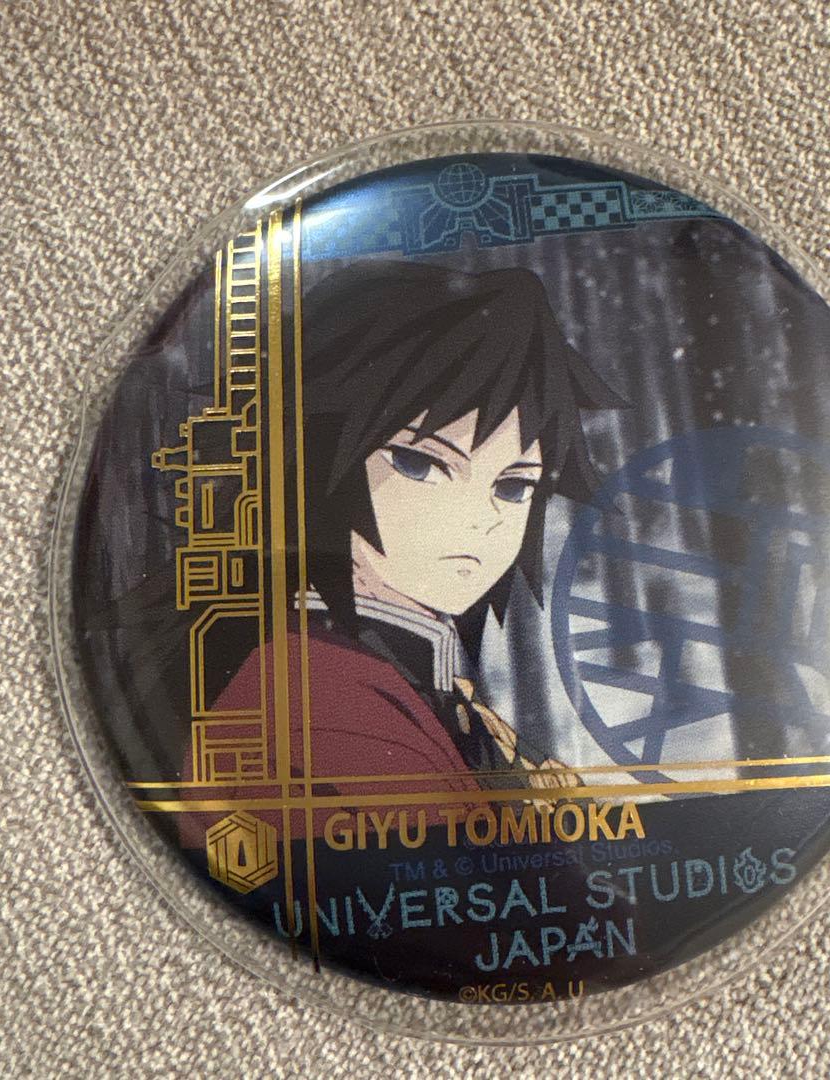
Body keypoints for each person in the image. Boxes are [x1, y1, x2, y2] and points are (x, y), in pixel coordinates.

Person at [210, 260, 624, 816]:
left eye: (512, 486)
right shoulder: (322, 703)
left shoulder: (414, 682)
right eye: (419, 464)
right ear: (311, 454)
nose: (480, 519)